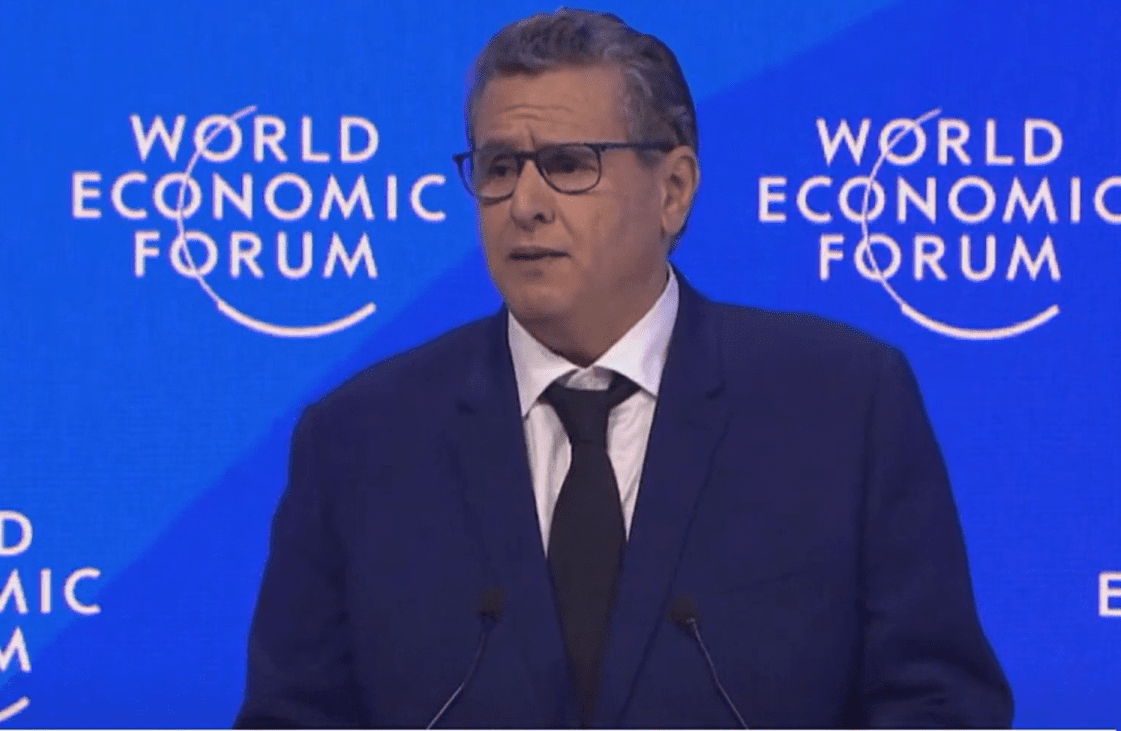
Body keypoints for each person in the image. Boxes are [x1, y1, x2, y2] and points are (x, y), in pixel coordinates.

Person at [235, 9, 1013, 728]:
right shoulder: (360, 439)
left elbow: (938, 704)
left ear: (672, 189)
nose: (524, 203)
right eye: (499, 166)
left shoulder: (840, 405)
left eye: (567, 163)